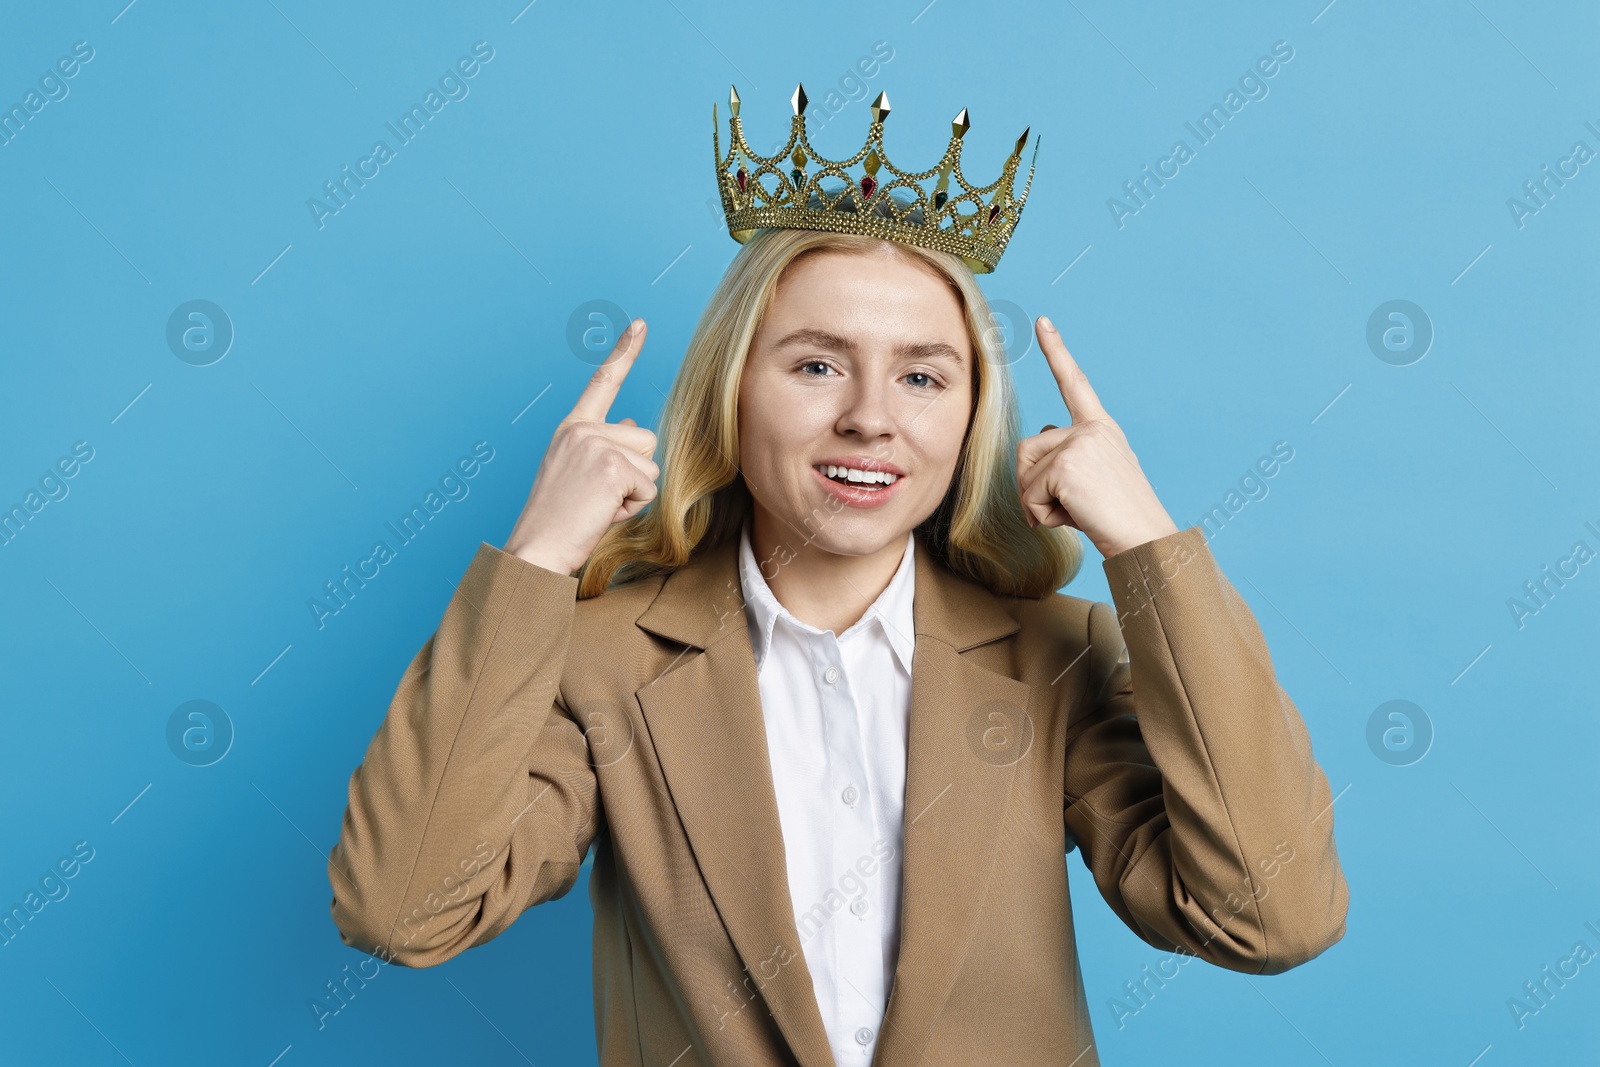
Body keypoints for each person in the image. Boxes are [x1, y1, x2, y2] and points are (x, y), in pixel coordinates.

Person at [326, 88, 1348, 1067]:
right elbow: (405, 909)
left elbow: (1270, 913)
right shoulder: (599, 662)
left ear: (968, 418)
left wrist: (1145, 546)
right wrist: (539, 557)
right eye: (816, 364)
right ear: (732, 393)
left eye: (921, 375)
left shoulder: (1054, 659)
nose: (870, 415)